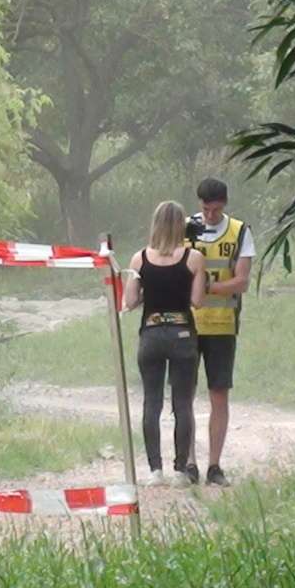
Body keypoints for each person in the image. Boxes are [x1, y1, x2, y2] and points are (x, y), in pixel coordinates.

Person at [123, 201, 208, 487]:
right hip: (182, 333)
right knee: (182, 403)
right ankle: (181, 470)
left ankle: (154, 470)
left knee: (152, 402)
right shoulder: (194, 258)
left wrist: (149, 292)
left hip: (151, 333)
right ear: (181, 225)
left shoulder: (139, 259)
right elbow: (197, 301)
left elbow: (130, 301)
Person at [186, 178, 254, 487]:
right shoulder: (184, 228)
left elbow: (242, 281)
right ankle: (188, 462)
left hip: (222, 325)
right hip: (187, 323)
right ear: (199, 204)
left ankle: (214, 466)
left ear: (224, 204)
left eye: (215, 210)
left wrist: (206, 287)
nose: (210, 215)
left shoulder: (240, 231)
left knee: (219, 394)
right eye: (205, 210)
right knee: (184, 395)